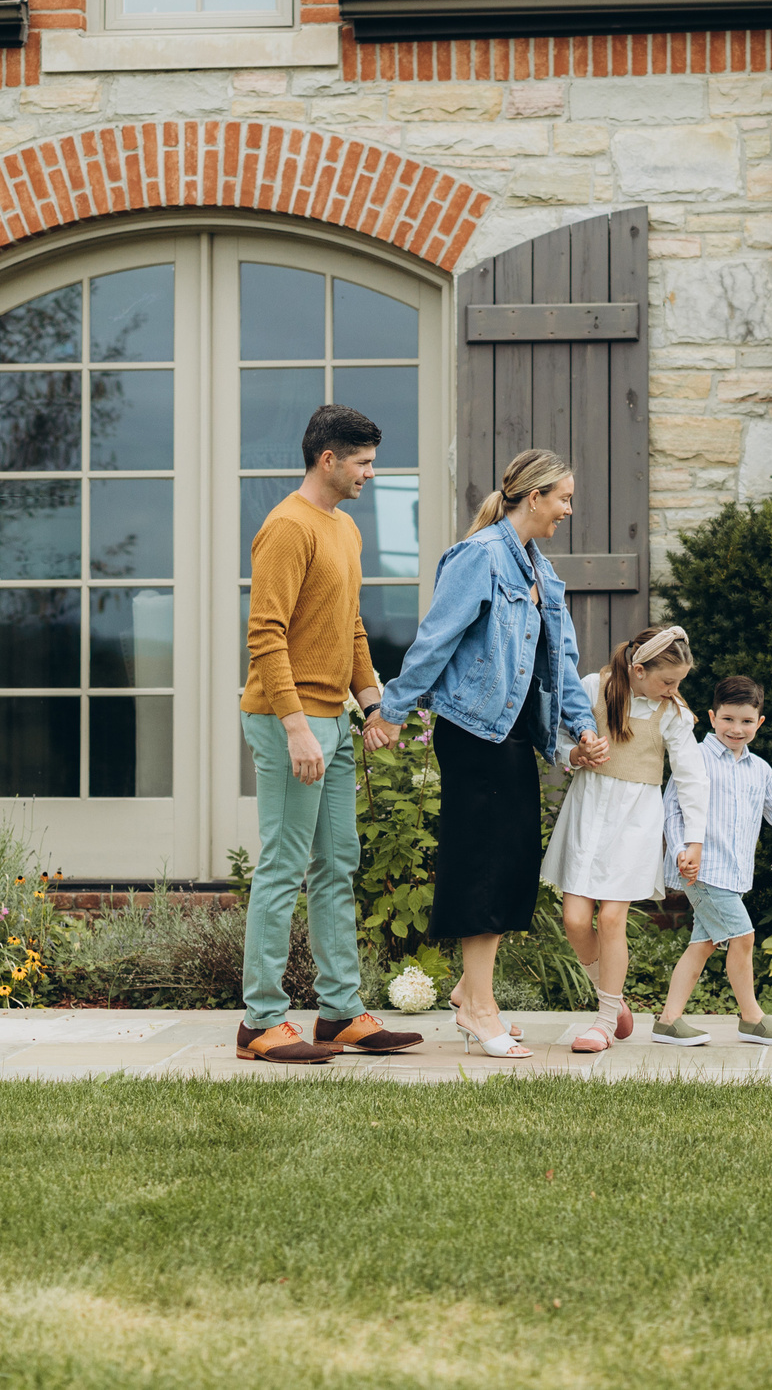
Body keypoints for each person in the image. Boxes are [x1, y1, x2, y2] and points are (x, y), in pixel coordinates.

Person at [369, 447, 607, 1058]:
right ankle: (478, 1008)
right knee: (483, 865)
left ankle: (473, 994)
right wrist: (394, 711)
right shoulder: (478, 558)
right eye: (564, 499)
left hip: (515, 736)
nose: (568, 510)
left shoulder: (541, 573)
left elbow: (563, 663)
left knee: (508, 866)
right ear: (534, 497)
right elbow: (434, 640)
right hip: (475, 733)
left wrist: (581, 727)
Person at [235, 404, 426, 1064]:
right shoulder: (288, 527)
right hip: (289, 719)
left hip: (335, 719)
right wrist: (295, 728)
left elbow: (348, 628)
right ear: (329, 459)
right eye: (364, 462)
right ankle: (260, 1020)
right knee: (285, 867)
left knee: (337, 864)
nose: (371, 473)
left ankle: (340, 1012)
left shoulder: (344, 528)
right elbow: (265, 633)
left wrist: (372, 703)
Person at [540, 623, 710, 1054]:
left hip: (635, 821)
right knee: (576, 921)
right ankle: (613, 1001)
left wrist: (694, 839)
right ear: (637, 669)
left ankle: (602, 1021)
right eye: (667, 681)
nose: (673, 690)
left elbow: (692, 776)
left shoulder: (670, 713)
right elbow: (558, 736)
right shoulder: (593, 688)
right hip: (587, 812)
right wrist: (575, 754)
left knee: (612, 919)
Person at [652, 674, 772, 1047]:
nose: (737, 729)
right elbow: (672, 811)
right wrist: (680, 850)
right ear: (711, 716)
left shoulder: (760, 770)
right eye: (728, 719)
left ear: (759, 722)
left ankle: (668, 1020)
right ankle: (752, 1018)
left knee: (703, 944)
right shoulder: (696, 759)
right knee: (744, 936)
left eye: (746, 721)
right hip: (703, 870)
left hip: (734, 874)